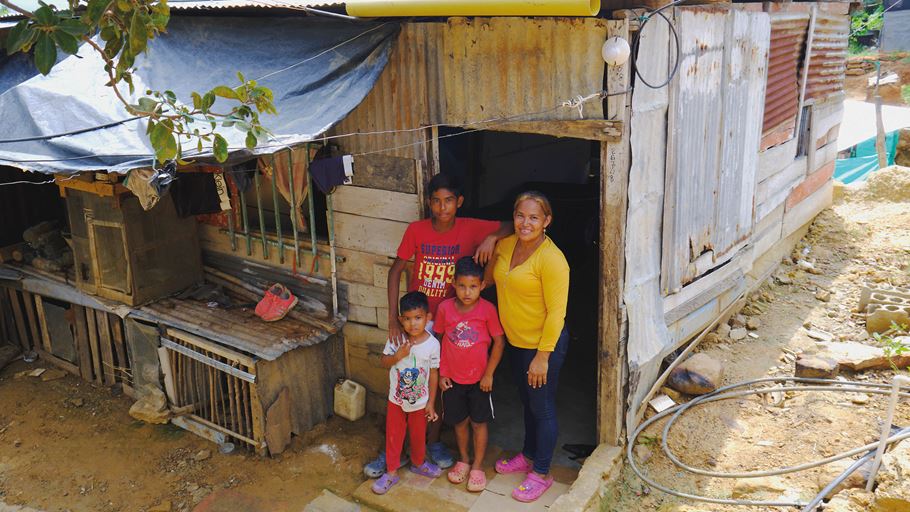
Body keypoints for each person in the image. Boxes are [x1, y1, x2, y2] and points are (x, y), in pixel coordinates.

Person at [364, 173, 512, 477]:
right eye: (436, 200)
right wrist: (394, 318)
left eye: (448, 200)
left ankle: (430, 443)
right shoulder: (416, 230)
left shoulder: (470, 227)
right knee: (404, 383)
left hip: (447, 323)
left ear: (458, 202)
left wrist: (492, 237)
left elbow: (509, 224)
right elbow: (395, 272)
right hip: (416, 322)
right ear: (429, 203)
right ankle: (394, 449)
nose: (442, 207)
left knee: (438, 385)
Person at [485, 191, 570, 503]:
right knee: (528, 401)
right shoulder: (506, 246)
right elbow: (490, 280)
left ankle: (542, 472)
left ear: (547, 221)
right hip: (517, 342)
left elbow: (556, 313)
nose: (526, 222)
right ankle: (529, 454)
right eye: (521, 215)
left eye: (534, 217)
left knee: (542, 406)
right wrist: (491, 240)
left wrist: (542, 357)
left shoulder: (553, 260)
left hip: (543, 345)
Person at [435, 257, 505, 492]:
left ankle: (477, 465)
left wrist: (489, 374)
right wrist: (442, 372)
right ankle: (464, 459)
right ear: (453, 283)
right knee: (460, 421)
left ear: (482, 286)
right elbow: (440, 340)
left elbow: (498, 341)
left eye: (473, 286)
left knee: (478, 422)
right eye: (462, 286)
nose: (467, 292)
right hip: (453, 379)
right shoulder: (444, 309)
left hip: (479, 380)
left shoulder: (487, 310)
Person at [372, 291, 442, 495]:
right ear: (401, 320)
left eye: (418, 318)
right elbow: (383, 362)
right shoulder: (396, 340)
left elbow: (434, 374)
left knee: (419, 436)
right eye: (408, 319)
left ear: (428, 318)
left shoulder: (432, 344)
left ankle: (418, 463)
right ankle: (392, 473)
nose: (413, 324)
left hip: (420, 403)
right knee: (394, 436)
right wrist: (398, 356)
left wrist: (431, 403)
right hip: (396, 401)